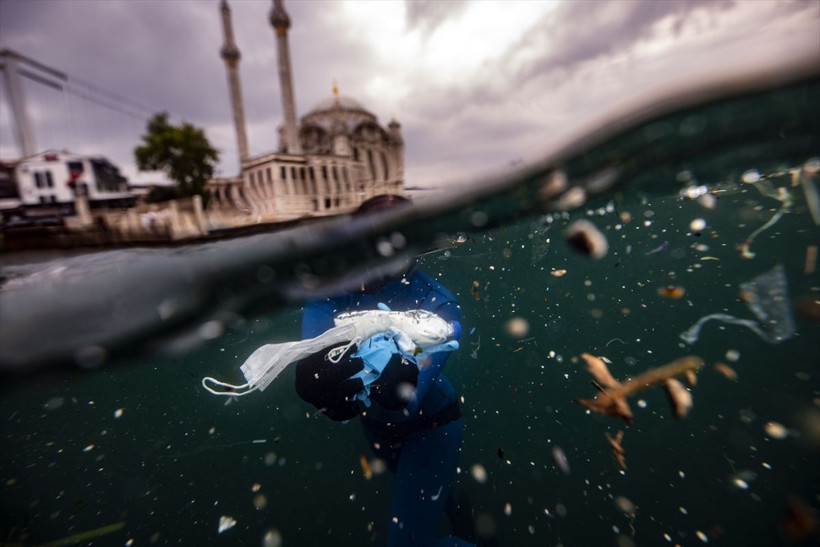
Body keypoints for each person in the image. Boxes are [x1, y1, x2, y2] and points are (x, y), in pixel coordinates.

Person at [295, 194, 477, 547]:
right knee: (428, 501)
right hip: (377, 430)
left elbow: (409, 400)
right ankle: (458, 512)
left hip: (431, 428)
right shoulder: (330, 291)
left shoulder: (439, 304)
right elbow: (314, 355)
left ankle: (461, 523)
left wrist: (396, 388)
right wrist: (312, 379)